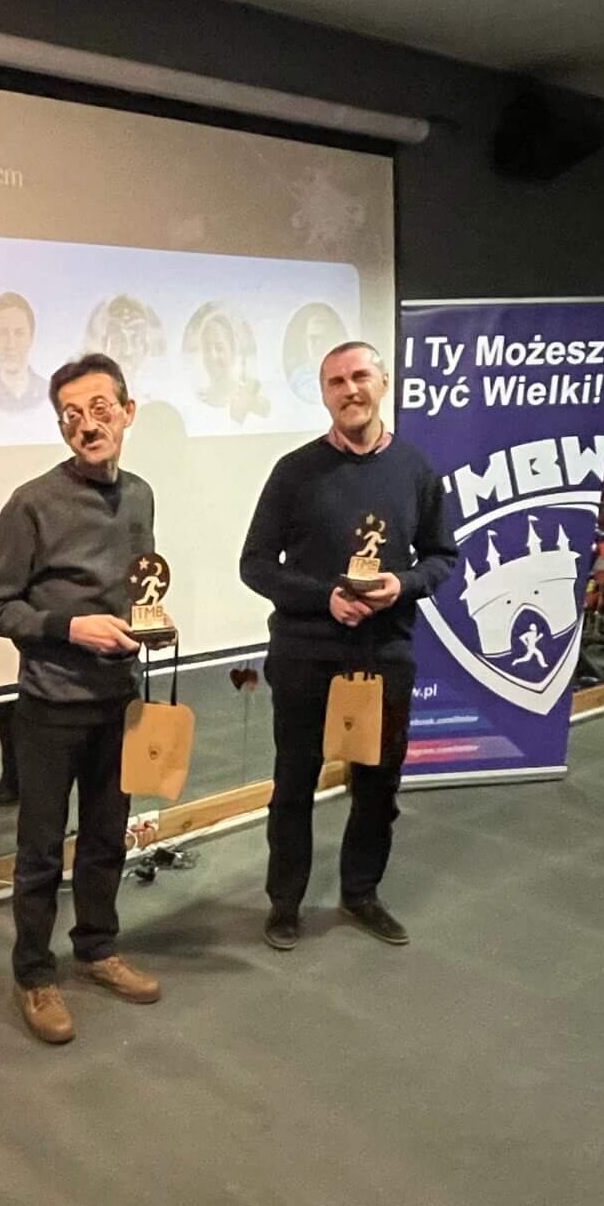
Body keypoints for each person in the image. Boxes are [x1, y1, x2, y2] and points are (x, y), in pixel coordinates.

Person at [0, 352, 163, 1043]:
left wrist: (148, 623)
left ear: (127, 413)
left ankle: (97, 948)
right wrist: (70, 627)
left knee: (108, 837)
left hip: (120, 702)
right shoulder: (32, 503)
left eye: (100, 409)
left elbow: (137, 586)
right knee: (41, 852)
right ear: (60, 427)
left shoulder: (140, 495)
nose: (87, 425)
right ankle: (33, 974)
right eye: (71, 415)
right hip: (50, 706)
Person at [240, 340, 455, 953]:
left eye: (360, 376)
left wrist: (402, 585)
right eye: (335, 381)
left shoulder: (416, 470)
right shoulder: (293, 471)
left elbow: (442, 557)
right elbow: (255, 564)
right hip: (305, 652)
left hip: (384, 655)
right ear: (324, 394)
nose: (349, 389)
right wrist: (324, 598)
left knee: (378, 783)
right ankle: (285, 902)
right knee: (294, 783)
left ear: (383, 383)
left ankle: (361, 892)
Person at [0, 292, 45, 413]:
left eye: (19, 333)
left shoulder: (50, 393)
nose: (11, 344)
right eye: (3, 333)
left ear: (31, 338)